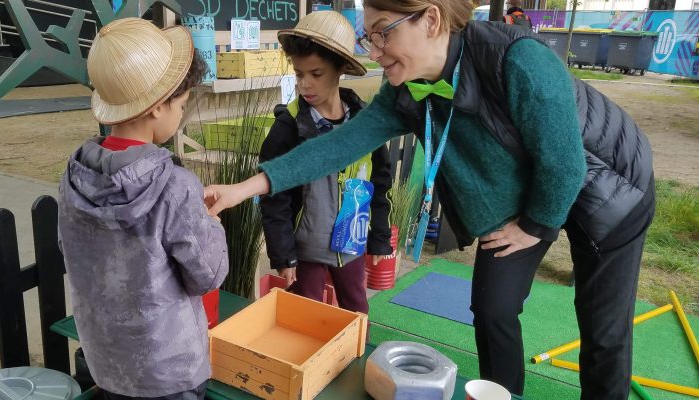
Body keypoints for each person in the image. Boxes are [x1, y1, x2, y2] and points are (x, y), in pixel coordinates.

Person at [204, 0, 655, 399]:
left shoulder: (520, 60)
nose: (372, 50)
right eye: (368, 35)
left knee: (603, 329)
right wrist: (243, 188)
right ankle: (501, 396)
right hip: (526, 192)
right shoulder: (404, 90)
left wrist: (535, 227)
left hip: (608, 190)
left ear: (431, 20)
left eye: (381, 31)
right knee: (493, 307)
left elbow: (565, 167)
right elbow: (334, 147)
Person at [58, 18, 228, 400]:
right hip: (170, 373)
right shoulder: (175, 185)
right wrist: (210, 222)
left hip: (107, 363)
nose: (181, 114)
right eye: (181, 105)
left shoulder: (73, 177)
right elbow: (208, 275)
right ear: (155, 107)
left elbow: (71, 253)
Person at [260, 10, 393, 314]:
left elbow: (380, 184)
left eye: (316, 74)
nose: (305, 84)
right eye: (299, 74)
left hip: (352, 246)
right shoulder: (288, 127)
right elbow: (273, 195)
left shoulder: (364, 124)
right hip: (305, 251)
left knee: (357, 314)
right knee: (306, 318)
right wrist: (283, 254)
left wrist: (379, 238)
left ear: (341, 68)